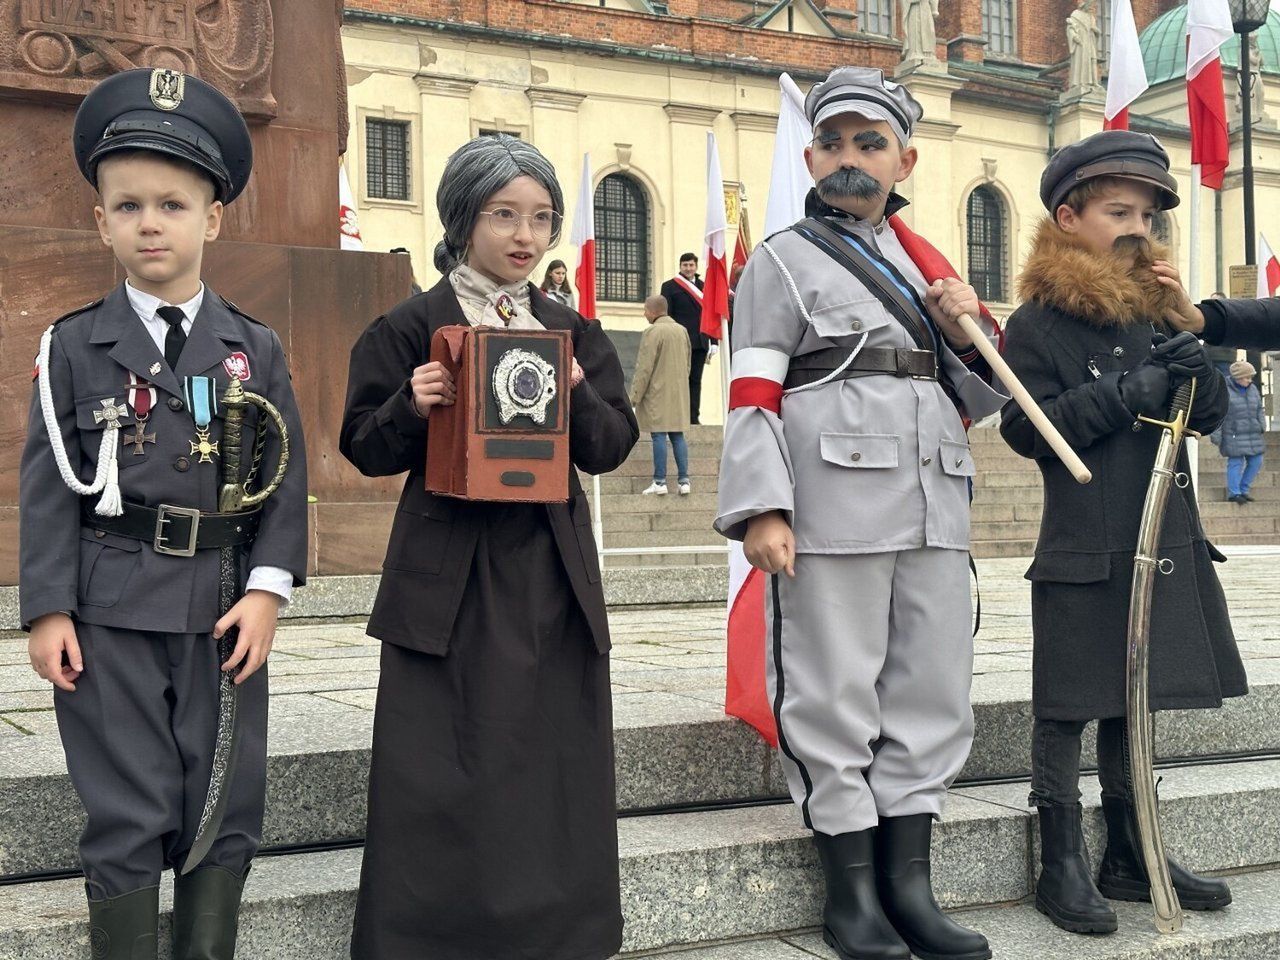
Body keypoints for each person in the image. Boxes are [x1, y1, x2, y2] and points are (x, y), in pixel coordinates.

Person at [715, 66, 1008, 960]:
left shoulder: (932, 268)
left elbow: (993, 398)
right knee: (835, 693)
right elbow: (753, 390)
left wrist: (971, 329)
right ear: (810, 155)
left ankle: (908, 886)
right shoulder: (782, 260)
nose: (850, 159)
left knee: (931, 694)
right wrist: (763, 506)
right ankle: (851, 893)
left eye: (869, 144)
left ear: (904, 158)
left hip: (933, 501)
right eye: (834, 143)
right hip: (831, 502)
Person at [20, 68, 308, 959]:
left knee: (225, 795)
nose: (152, 222)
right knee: (127, 794)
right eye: (130, 204)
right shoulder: (74, 344)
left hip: (222, 604)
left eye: (174, 205)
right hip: (109, 607)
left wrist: (266, 592)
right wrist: (49, 608)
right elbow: (47, 482)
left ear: (212, 219)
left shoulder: (252, 347)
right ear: (100, 219)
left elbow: (282, 474)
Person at [340, 134, 637, 960]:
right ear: (462, 218)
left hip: (549, 571)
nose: (524, 235)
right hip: (449, 577)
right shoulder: (412, 324)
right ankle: (429, 938)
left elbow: (611, 446)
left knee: (550, 755)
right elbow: (362, 445)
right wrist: (411, 401)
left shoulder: (569, 330)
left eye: (540, 218)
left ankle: (559, 933)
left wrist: (577, 391)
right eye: (503, 213)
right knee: (441, 755)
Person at [999, 130, 1235, 936]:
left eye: (1146, 213)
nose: (1136, 226)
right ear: (1069, 217)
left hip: (1160, 534)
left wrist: (1195, 366)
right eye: (1117, 210)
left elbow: (1204, 419)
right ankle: (1059, 858)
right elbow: (1028, 432)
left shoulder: (1158, 312)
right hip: (1086, 539)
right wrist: (1132, 388)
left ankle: (1133, 850)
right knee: (1070, 702)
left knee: (1135, 701)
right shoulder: (1036, 323)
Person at [631, 294, 692, 495]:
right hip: (679, 392)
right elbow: (688, 364)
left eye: (646, 310)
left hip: (657, 393)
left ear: (654, 311)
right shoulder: (682, 331)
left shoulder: (652, 332)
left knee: (658, 435)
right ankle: (684, 481)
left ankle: (660, 481)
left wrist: (634, 396)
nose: (644, 314)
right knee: (677, 435)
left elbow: (644, 369)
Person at [660, 252, 716, 423]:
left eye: (691, 265)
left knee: (695, 381)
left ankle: (693, 417)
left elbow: (711, 315)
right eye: (685, 265)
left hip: (700, 341)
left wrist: (713, 342)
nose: (688, 268)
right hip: (680, 341)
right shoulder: (669, 286)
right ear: (680, 266)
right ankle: (678, 416)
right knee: (678, 381)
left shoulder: (705, 286)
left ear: (696, 266)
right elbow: (666, 314)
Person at [1211, 360, 1266, 504]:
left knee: (1256, 461)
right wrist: (1216, 435)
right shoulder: (1224, 390)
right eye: (1246, 377)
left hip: (1252, 432)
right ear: (1237, 377)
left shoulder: (1253, 389)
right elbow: (1219, 413)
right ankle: (1234, 493)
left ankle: (1243, 489)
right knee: (1235, 462)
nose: (1249, 380)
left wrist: (1262, 424)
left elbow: (1259, 408)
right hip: (1233, 434)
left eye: (1250, 377)